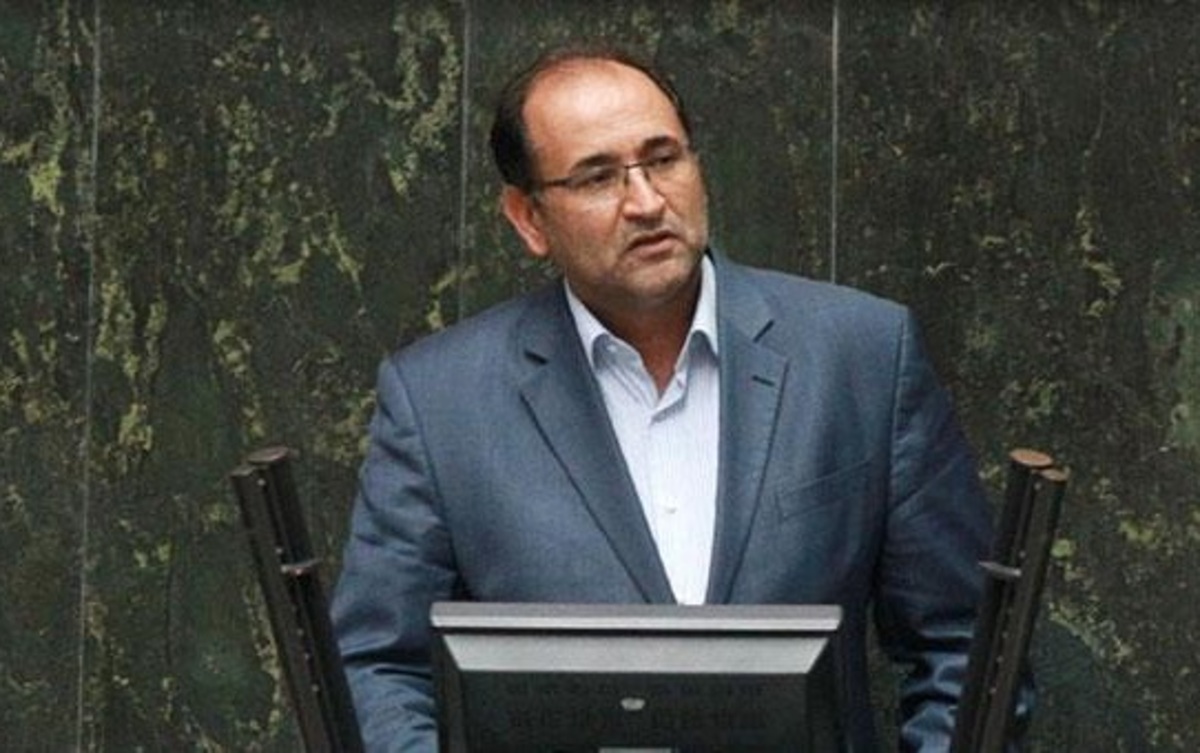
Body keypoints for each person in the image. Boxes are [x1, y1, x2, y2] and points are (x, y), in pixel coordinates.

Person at [332, 44, 1006, 752]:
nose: (647, 202)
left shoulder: (860, 355)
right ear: (529, 218)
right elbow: (378, 666)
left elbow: (965, 645)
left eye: (663, 159)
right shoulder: (441, 399)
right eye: (598, 177)